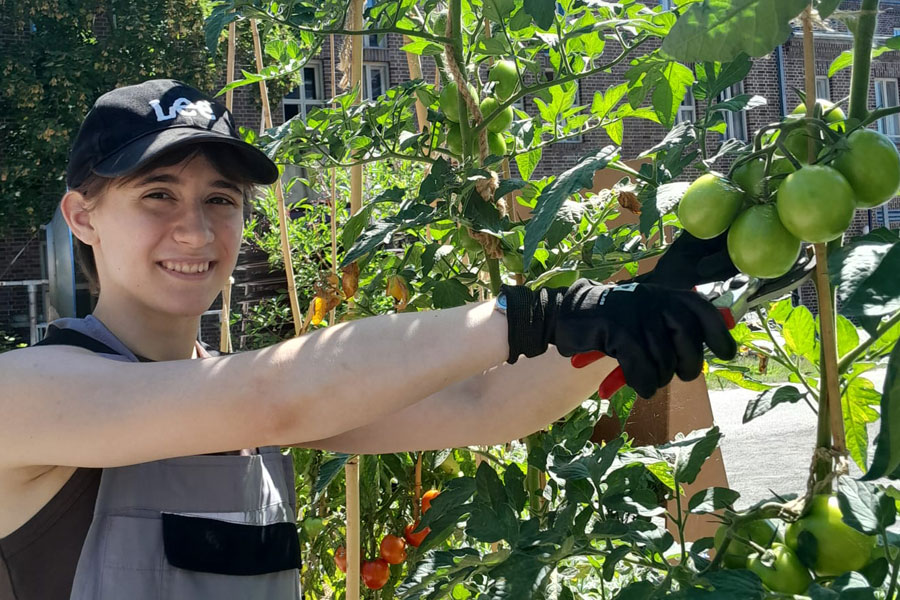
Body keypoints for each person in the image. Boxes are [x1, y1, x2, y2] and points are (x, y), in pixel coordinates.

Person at [0, 79, 736, 600]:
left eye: (220, 200)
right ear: (82, 216)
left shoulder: (252, 412)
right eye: (157, 194)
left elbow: (486, 402)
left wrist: (637, 312)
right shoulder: (26, 393)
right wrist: (537, 313)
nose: (195, 229)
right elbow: (270, 395)